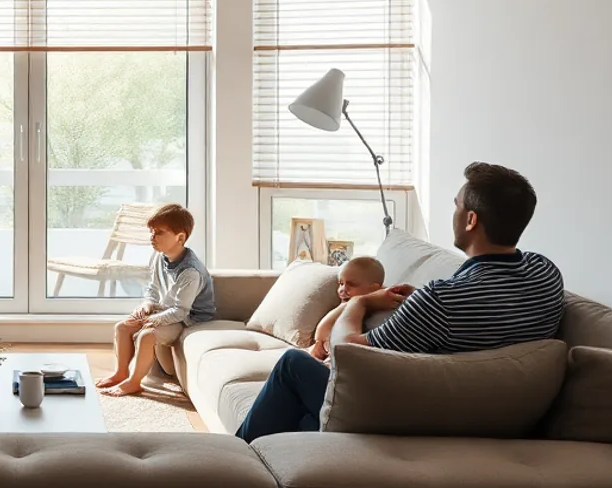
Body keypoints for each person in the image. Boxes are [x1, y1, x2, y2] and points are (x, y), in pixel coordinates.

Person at [235, 162, 563, 442]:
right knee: (300, 422)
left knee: (293, 365)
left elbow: (346, 351)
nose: (454, 212)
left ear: (471, 220)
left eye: (457, 205)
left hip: (414, 417)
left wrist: (359, 305)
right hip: (493, 420)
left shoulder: (440, 300)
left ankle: (233, 464)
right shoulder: (546, 275)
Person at [96, 204, 216, 396]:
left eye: (159, 232)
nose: (152, 237)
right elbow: (153, 288)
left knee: (147, 335)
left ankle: (134, 382)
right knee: (122, 327)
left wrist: (152, 320)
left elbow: (180, 311)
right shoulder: (160, 257)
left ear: (181, 237)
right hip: (167, 310)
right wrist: (148, 305)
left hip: (189, 320)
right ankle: (120, 373)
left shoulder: (190, 272)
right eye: (151, 232)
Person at [307, 256, 388, 363]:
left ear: (374, 289)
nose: (342, 290)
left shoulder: (368, 311)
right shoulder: (348, 304)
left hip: (336, 366)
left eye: (352, 284)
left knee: (291, 358)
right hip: (324, 355)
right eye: (341, 284)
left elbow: (325, 335)